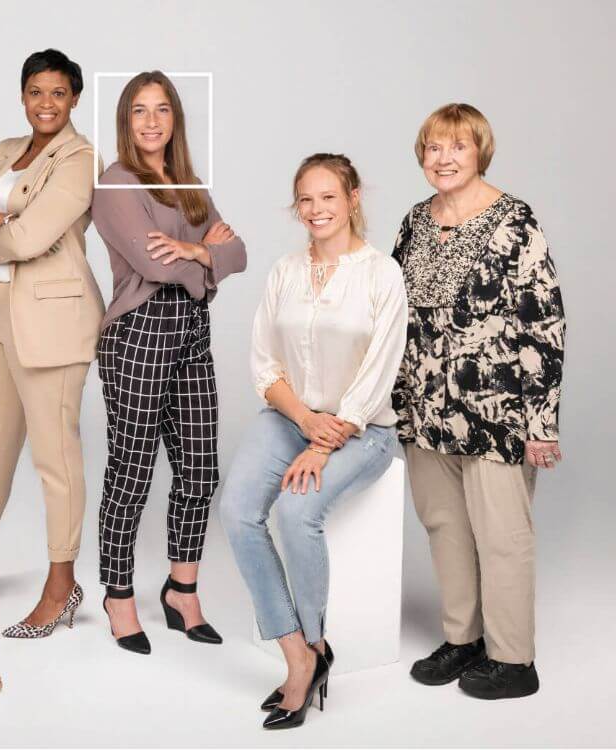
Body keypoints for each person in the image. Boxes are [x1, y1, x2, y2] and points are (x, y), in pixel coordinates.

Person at [219, 154, 407, 729]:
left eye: (329, 196)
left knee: (298, 510)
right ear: (296, 207)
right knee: (237, 510)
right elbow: (263, 363)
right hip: (291, 416)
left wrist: (325, 442)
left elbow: (379, 370)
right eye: (306, 199)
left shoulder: (381, 274)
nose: (317, 209)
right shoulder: (284, 272)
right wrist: (303, 420)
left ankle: (314, 649)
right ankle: (297, 651)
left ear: (352, 198)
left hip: (365, 428)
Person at [393, 103, 565, 699]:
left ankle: (514, 660)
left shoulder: (514, 220)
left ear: (479, 152)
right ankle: (462, 638)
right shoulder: (415, 222)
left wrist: (542, 423)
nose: (443, 159)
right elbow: (392, 314)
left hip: (498, 413)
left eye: (456, 147)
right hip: (424, 409)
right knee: (445, 527)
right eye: (432, 148)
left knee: (502, 535)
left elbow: (544, 323)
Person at [0, 49, 104, 638]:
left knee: (54, 457)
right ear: (23, 96)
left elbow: (31, 237)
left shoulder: (79, 159)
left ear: (75, 98)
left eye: (58, 92)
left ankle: (62, 585)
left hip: (53, 322)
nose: (47, 103)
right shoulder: (5, 152)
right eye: (36, 91)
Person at [90, 71, 246, 655]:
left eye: (161, 109)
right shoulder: (115, 183)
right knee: (131, 471)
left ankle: (182, 591)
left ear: (175, 118)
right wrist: (207, 258)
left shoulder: (187, 183)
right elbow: (155, 268)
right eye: (138, 110)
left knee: (200, 469)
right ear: (125, 120)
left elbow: (241, 251)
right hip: (138, 333)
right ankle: (119, 594)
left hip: (190, 335)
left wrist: (198, 250)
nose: (151, 121)